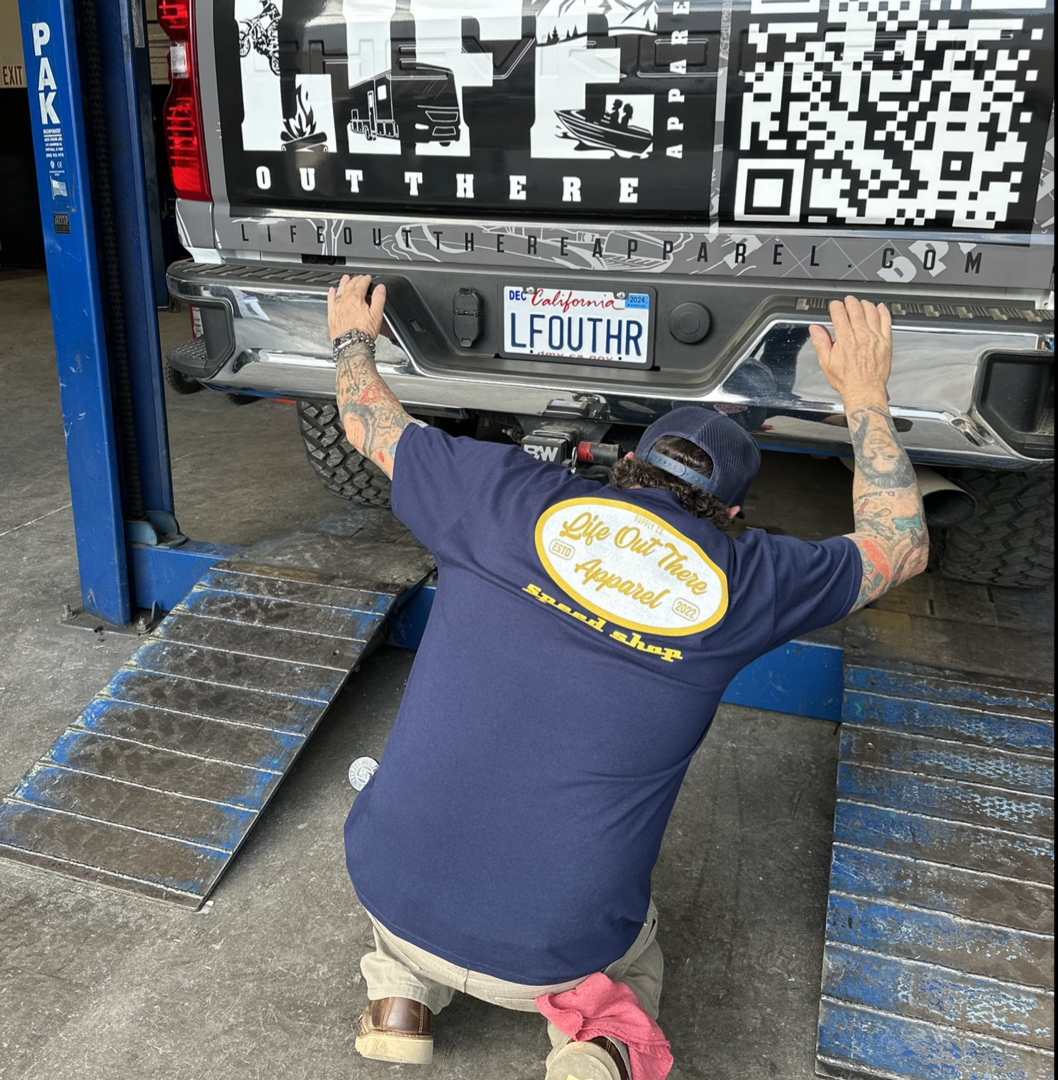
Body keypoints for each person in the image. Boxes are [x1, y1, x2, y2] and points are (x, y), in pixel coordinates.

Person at [326, 277, 928, 1080]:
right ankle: (601, 1046)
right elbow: (901, 544)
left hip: (385, 893)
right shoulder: (746, 581)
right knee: (634, 951)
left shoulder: (498, 495)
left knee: (410, 830)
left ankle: (399, 997)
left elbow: (371, 422)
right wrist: (864, 395)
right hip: (552, 954)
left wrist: (351, 341)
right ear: (735, 517)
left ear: (622, 467)